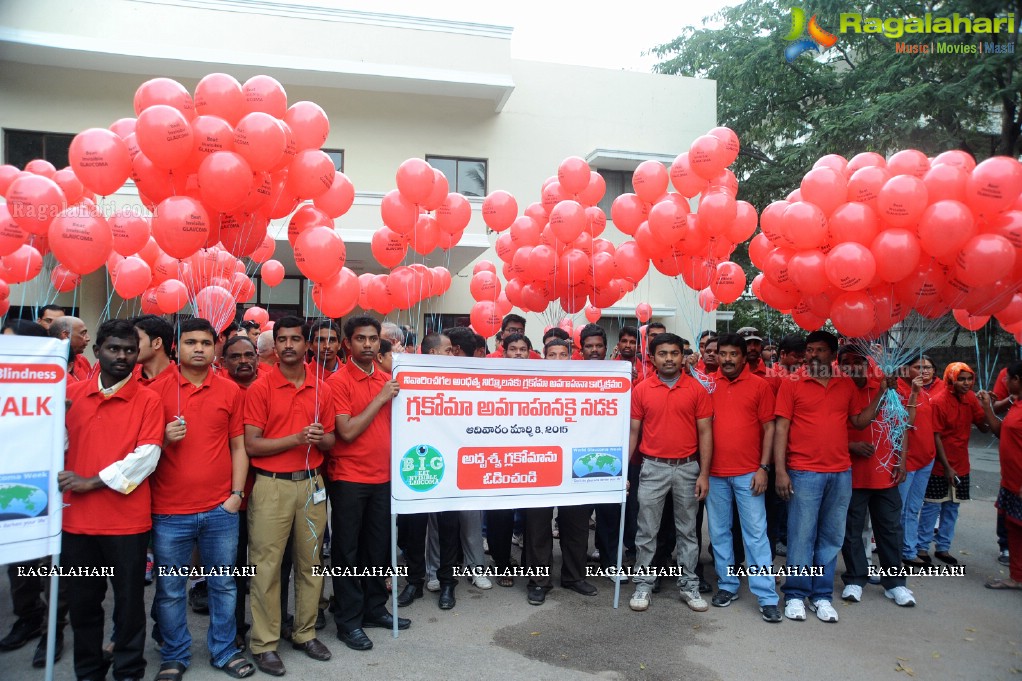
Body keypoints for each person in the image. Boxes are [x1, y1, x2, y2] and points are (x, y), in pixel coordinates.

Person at [148, 318, 253, 680]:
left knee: (224, 584)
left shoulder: (230, 391)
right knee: (171, 589)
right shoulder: (155, 390)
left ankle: (223, 650)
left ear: (215, 349)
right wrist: (163, 437)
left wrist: (236, 495)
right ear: (176, 347)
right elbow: (139, 451)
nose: (199, 349)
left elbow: (239, 447)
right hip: (168, 511)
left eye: (206, 343)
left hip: (220, 509)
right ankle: (174, 654)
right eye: (191, 342)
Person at [59, 319, 164, 681]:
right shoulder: (71, 397)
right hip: (75, 522)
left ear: (139, 354)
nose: (122, 356)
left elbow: (147, 456)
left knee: (129, 605)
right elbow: (59, 446)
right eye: (114, 349)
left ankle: (129, 669)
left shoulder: (149, 399)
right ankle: (88, 670)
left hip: (126, 524)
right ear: (96, 350)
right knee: (84, 603)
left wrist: (91, 481)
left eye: (130, 350)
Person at [774, 330, 888, 623]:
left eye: (819, 350)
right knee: (801, 536)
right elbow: (781, 429)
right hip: (804, 471)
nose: (812, 354)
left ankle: (821, 595)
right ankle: (796, 594)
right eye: (809, 350)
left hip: (840, 472)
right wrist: (781, 471)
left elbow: (859, 421)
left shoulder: (845, 384)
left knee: (831, 536)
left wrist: (882, 392)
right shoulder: (792, 383)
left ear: (832, 354)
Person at [243, 316, 336, 676]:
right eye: (281, 339)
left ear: (306, 344)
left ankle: (305, 632)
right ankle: (264, 643)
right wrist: (296, 440)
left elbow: (330, 440)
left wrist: (318, 439)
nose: (288, 345)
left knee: (311, 563)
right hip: (271, 486)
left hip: (312, 484)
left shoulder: (321, 389)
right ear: (275, 346)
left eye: (295, 339)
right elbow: (252, 445)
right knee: (266, 567)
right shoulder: (260, 388)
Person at [326, 316, 407, 652]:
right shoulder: (338, 381)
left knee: (377, 549)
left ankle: (374, 609)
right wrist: (381, 398)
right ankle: (348, 620)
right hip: (348, 478)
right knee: (346, 552)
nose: (369, 345)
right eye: (361, 339)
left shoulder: (388, 379)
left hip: (384, 478)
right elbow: (346, 431)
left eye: (374, 339)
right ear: (348, 343)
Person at [0, 317, 71, 668]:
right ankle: (27, 617)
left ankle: (52, 628)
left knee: (48, 565)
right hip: (13, 486)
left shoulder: (58, 383)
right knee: (19, 564)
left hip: (50, 489)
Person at [628, 332, 712, 613]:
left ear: (682, 356)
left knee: (688, 531)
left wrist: (704, 474)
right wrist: (624, 470)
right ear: (652, 358)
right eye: (663, 354)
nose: (669, 359)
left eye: (674, 353)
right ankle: (643, 584)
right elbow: (633, 431)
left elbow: (705, 433)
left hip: (688, 468)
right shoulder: (641, 389)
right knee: (647, 530)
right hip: (652, 468)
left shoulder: (697, 389)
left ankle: (689, 585)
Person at [704, 333, 780, 622]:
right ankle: (728, 585)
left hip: (750, 473)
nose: (726, 359)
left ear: (743, 355)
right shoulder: (709, 385)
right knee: (720, 533)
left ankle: (766, 595)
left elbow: (770, 428)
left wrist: (764, 467)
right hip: (715, 474)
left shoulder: (760, 386)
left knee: (756, 536)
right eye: (722, 354)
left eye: (732, 354)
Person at [837, 347, 918, 608]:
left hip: (885, 474)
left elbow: (902, 425)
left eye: (857, 361)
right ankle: (855, 578)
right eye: (845, 362)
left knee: (890, 530)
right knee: (851, 530)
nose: (852, 367)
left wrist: (902, 461)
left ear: (867, 362)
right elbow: (825, 429)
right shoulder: (837, 391)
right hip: (851, 474)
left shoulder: (887, 387)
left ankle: (895, 584)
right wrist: (850, 445)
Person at [523, 338, 598, 605]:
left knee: (576, 525)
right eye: (551, 355)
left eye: (562, 354)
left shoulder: (585, 385)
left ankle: (574, 577)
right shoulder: (530, 386)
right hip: (539, 463)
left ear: (570, 357)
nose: (557, 359)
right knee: (537, 527)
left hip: (575, 464)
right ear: (543, 358)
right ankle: (538, 581)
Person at [398, 332, 462, 610]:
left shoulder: (461, 378)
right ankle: (414, 581)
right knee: (414, 528)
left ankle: (448, 583)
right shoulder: (409, 376)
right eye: (448, 350)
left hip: (451, 465)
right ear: (433, 353)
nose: (453, 355)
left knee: (449, 527)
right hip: (418, 463)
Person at [918, 362, 989, 565]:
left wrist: (988, 406)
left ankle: (943, 548)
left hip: (962, 463)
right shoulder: (939, 401)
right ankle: (922, 547)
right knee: (932, 507)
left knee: (952, 508)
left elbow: (983, 427)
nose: (966, 383)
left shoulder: (971, 399)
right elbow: (935, 436)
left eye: (969, 379)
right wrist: (947, 466)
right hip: (941, 464)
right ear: (950, 379)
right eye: (961, 379)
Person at [483, 333, 531, 589]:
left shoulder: (542, 380)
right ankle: (501, 563)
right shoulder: (491, 379)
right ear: (504, 353)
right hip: (498, 457)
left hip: (533, 456)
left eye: (523, 349)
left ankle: (529, 563)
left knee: (530, 517)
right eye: (513, 349)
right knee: (499, 516)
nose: (518, 353)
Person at [579, 323, 624, 582]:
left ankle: (610, 563)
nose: (594, 350)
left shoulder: (618, 373)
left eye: (598, 346)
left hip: (609, 455)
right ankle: (575, 567)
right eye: (589, 346)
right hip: (577, 456)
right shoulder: (569, 374)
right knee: (577, 517)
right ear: (581, 349)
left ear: (606, 348)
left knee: (609, 515)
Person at [978, 361, 1022, 589]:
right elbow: (999, 432)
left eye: (1008, 379)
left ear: (1017, 380)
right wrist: (987, 407)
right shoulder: (1016, 403)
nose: (1004, 382)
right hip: (1010, 482)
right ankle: (1016, 577)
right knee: (1013, 529)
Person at [898, 356, 944, 568]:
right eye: (918, 367)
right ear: (905, 370)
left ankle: (909, 548)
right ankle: (905, 550)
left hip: (926, 459)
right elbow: (907, 423)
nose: (924, 371)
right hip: (907, 460)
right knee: (903, 508)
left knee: (914, 507)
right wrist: (914, 394)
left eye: (927, 367)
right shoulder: (898, 390)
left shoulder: (926, 392)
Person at [132, 315, 175, 386]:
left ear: (157, 343)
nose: (130, 346)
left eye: (137, 340)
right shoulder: (127, 379)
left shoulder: (184, 379)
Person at [49, 316, 92, 382]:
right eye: (83, 333)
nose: (88, 338)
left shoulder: (82, 360)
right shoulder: (48, 365)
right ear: (65, 335)